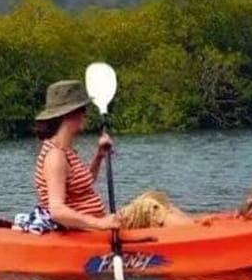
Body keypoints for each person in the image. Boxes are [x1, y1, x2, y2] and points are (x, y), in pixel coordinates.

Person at [33, 80, 193, 231]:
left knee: (156, 197)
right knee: (148, 208)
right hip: (87, 232)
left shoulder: (66, 150)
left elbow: (82, 185)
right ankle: (197, 236)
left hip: (95, 225)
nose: (86, 115)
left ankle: (194, 229)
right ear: (69, 115)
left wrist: (99, 157)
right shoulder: (55, 156)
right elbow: (57, 210)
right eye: (82, 110)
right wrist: (100, 223)